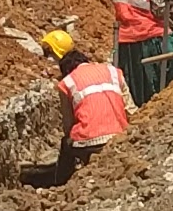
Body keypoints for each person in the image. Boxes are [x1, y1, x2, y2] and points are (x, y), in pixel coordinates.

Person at [40, 26, 131, 176]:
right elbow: (130, 109)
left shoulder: (67, 83)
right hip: (119, 137)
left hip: (88, 143)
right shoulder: (113, 71)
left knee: (66, 144)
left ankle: (62, 182)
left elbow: (68, 126)